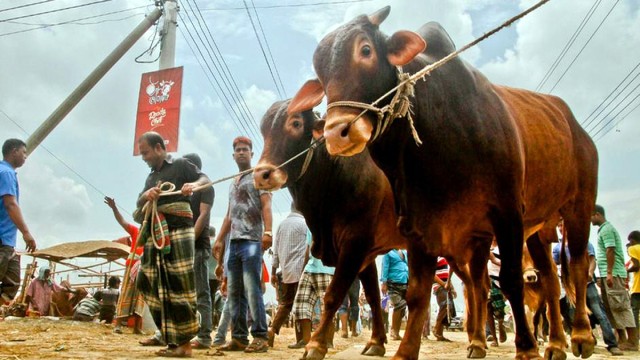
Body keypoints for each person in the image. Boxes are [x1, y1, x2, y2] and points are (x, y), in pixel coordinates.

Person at [135, 131, 211, 358]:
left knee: (180, 287)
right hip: (156, 234)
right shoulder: (150, 178)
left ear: (159, 147)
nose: (143, 158)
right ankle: (171, 339)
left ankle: (184, 345)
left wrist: (193, 186)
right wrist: (146, 195)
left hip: (179, 230)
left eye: (145, 152)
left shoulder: (179, 165)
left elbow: (205, 180)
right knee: (148, 282)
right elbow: (138, 204)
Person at [213, 136, 272, 353]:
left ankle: (260, 336)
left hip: (252, 242)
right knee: (234, 291)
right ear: (233, 154)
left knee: (252, 288)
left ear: (251, 153)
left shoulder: (259, 176)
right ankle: (238, 337)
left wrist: (268, 232)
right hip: (234, 244)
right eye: (237, 149)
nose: (241, 152)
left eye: (245, 149)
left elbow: (266, 205)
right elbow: (229, 216)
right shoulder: (232, 182)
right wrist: (219, 239)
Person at [553, 220, 624, 356]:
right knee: (573, 315)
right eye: (559, 226)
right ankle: (587, 338)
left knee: (599, 313)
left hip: (587, 284)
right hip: (571, 287)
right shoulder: (557, 248)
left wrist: (590, 273)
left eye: (564, 225)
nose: (562, 228)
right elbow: (556, 265)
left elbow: (592, 260)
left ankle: (612, 344)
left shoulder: (582, 242)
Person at [592, 204, 638, 351]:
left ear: (597, 214)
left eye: (591, 216)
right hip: (608, 274)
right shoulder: (604, 230)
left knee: (621, 306)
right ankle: (623, 339)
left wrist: (610, 272)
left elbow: (610, 249)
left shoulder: (607, 230)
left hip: (614, 273)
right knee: (612, 307)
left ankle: (632, 340)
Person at [182, 153, 215, 350]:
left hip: (198, 247)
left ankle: (204, 336)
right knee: (184, 294)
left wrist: (189, 241)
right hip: (184, 247)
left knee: (201, 293)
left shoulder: (204, 186)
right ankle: (185, 333)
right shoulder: (184, 188)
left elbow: (203, 216)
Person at [0, 139, 36, 304]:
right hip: (2, 237)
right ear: (14, 151)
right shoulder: (5, 173)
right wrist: (26, 233)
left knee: (12, 283)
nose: (25, 156)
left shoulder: (7, 172)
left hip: (8, 240)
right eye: (24, 152)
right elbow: (10, 204)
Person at [267, 203, 308, 347]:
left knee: (286, 304)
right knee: (299, 305)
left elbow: (276, 251)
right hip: (301, 271)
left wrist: (273, 273)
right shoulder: (305, 225)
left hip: (285, 273)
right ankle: (299, 338)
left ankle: (273, 330)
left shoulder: (281, 225)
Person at [289, 231, 335, 349]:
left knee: (327, 307)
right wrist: (304, 268)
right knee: (301, 305)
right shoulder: (311, 225)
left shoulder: (334, 222)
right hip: (310, 268)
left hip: (327, 269)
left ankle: (328, 340)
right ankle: (306, 339)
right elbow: (308, 248)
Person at [104, 196, 144, 334]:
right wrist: (114, 208)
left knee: (141, 297)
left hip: (144, 267)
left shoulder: (154, 235)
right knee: (126, 294)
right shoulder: (135, 231)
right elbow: (121, 221)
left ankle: (137, 328)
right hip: (131, 265)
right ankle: (118, 325)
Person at [380, 249, 408, 341]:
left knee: (402, 308)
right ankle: (393, 331)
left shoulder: (404, 252)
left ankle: (396, 331)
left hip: (405, 282)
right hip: (392, 283)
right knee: (399, 305)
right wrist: (384, 283)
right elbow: (385, 267)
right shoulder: (388, 252)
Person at [432, 256, 457, 342]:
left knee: (446, 309)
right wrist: (443, 284)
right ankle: (436, 327)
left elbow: (447, 276)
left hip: (445, 286)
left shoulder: (445, 259)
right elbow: (432, 274)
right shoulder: (436, 257)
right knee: (445, 306)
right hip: (439, 286)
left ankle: (439, 334)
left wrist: (452, 288)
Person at [627, 231, 640, 330]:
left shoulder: (633, 248)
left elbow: (636, 266)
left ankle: (636, 336)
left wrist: (625, 270)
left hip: (638, 286)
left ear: (633, 240)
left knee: (634, 311)